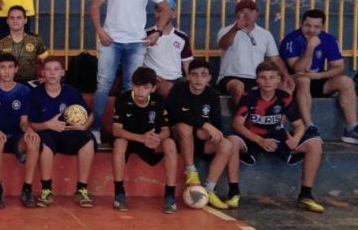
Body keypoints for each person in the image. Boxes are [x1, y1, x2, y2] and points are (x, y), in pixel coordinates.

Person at [89, 0, 172, 144]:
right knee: (103, 85)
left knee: (131, 87)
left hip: (137, 42)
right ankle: (96, 129)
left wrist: (157, 32)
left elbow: (166, 10)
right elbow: (94, 6)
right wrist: (100, 31)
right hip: (111, 41)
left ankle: (127, 131)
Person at [230, 61, 324, 212]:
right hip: (254, 137)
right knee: (232, 141)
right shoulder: (249, 96)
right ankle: (233, 192)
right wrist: (259, 140)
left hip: (277, 136)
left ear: (279, 79)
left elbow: (299, 125)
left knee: (315, 144)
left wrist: (296, 138)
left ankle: (306, 195)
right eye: (263, 77)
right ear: (257, 80)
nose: (267, 81)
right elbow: (237, 125)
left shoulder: (284, 97)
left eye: (272, 77)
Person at [167, 59, 240, 210]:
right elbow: (175, 114)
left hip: (201, 141)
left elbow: (217, 127)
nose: (199, 79)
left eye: (203, 75)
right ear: (188, 76)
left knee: (227, 144)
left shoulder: (212, 95)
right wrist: (203, 125)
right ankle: (191, 172)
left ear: (209, 78)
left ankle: (209, 190)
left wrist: (207, 132)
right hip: (180, 139)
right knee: (185, 127)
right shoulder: (178, 90)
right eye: (194, 75)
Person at [280, 9, 358, 143]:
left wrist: (319, 75)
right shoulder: (291, 39)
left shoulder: (328, 39)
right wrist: (310, 47)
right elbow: (298, 69)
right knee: (304, 79)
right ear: (301, 24)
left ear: (322, 27)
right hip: (294, 83)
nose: (311, 30)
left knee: (346, 81)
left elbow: (339, 67)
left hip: (317, 79)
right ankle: (310, 127)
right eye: (307, 25)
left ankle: (352, 128)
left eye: (316, 27)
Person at [29, 57, 95, 208]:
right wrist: (47, 124)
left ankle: (82, 190)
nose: (52, 73)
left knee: (88, 139)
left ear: (62, 73)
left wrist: (84, 126)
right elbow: (30, 123)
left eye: (56, 69)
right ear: (43, 73)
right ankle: (46, 190)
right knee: (44, 142)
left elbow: (90, 113)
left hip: (69, 131)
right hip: (47, 133)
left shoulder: (71, 92)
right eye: (49, 70)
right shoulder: (35, 94)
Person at [110, 67, 178, 213]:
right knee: (119, 144)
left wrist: (157, 138)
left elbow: (166, 130)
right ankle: (119, 194)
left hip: (150, 141)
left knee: (170, 143)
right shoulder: (123, 98)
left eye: (145, 87)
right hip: (130, 139)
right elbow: (116, 130)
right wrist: (141, 138)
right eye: (136, 86)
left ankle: (170, 195)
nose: (140, 91)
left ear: (153, 88)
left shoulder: (159, 100)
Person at [0, 53, 39, 208]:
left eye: (10, 67)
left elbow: (24, 122)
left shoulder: (24, 91)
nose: (6, 71)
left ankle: (27, 188)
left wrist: (30, 131)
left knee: (34, 142)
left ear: (16, 69)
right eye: (3, 67)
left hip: (15, 137)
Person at [217, 0, 294, 103]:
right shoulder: (226, 30)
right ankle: (241, 118)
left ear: (256, 13)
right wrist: (235, 28)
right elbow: (223, 45)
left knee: (285, 88)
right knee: (238, 86)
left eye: (250, 11)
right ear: (237, 15)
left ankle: (277, 119)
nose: (247, 14)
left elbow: (275, 58)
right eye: (242, 11)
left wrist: (286, 75)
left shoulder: (265, 34)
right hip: (230, 77)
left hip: (258, 78)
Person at [142, 0, 192, 96]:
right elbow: (138, 61)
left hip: (177, 79)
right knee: (167, 89)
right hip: (154, 79)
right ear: (155, 13)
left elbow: (187, 63)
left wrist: (192, 80)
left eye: (167, 11)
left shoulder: (182, 36)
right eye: (159, 11)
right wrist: (151, 76)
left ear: (174, 14)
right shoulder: (145, 35)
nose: (162, 14)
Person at [0, 5, 48, 86]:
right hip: (7, 82)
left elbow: (47, 61)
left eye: (19, 18)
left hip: (31, 82)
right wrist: (2, 83)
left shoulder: (36, 40)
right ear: (8, 21)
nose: (15, 20)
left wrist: (47, 77)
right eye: (12, 18)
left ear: (25, 20)